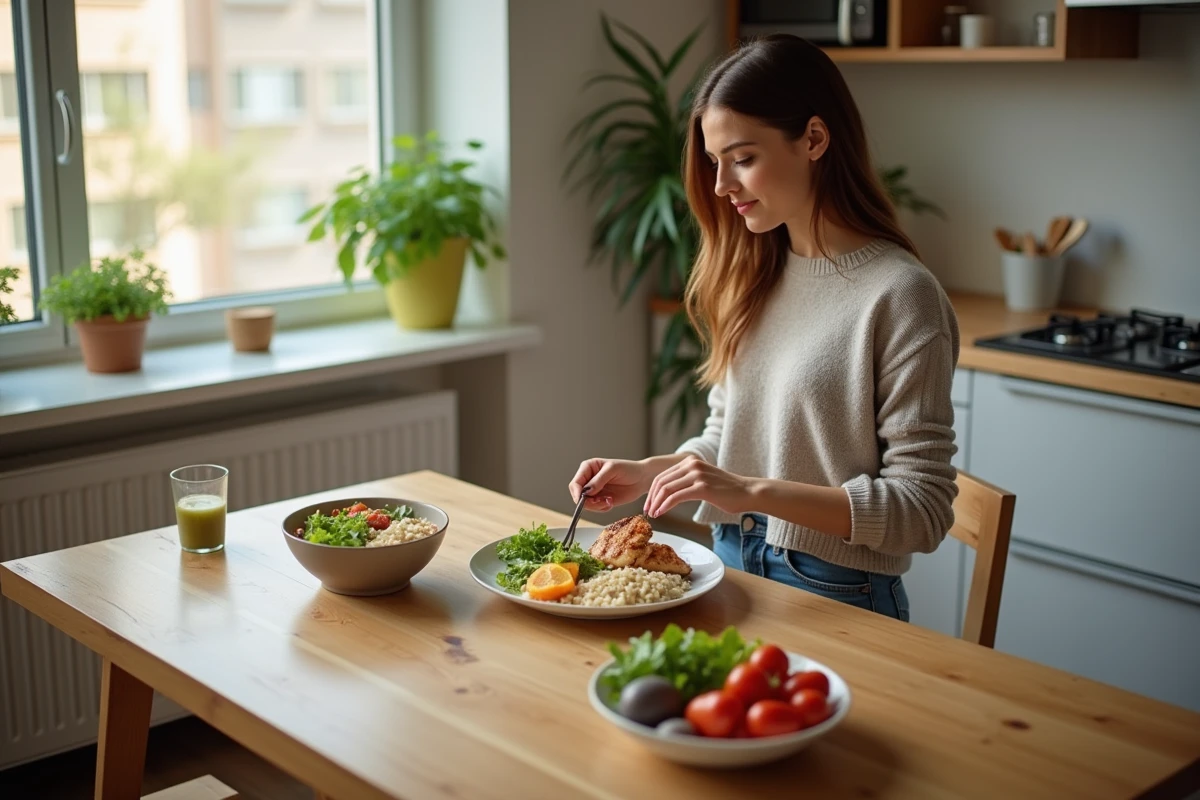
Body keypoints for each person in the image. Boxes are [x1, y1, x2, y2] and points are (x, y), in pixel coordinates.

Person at [568, 34, 960, 621]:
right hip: (726, 559)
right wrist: (652, 472)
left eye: (742, 158)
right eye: (714, 162)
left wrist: (747, 492)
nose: (722, 185)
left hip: (835, 589)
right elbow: (732, 435)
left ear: (815, 139)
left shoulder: (901, 295)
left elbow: (922, 511)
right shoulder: (754, 271)